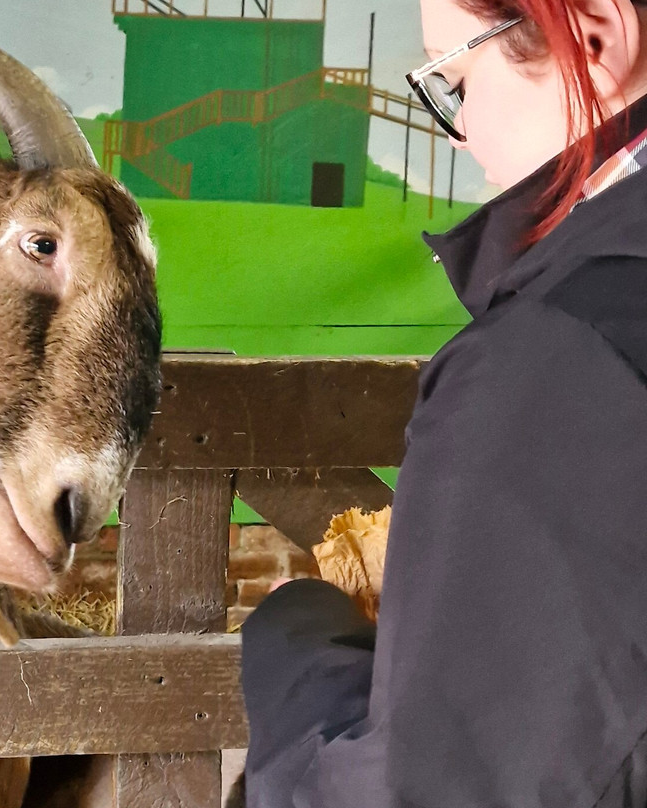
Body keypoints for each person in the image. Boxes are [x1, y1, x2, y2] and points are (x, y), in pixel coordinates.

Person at [240, 1, 647, 806]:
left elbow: (432, 789)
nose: (458, 133)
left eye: (454, 79)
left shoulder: (557, 362)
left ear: (595, 38)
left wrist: (296, 647)